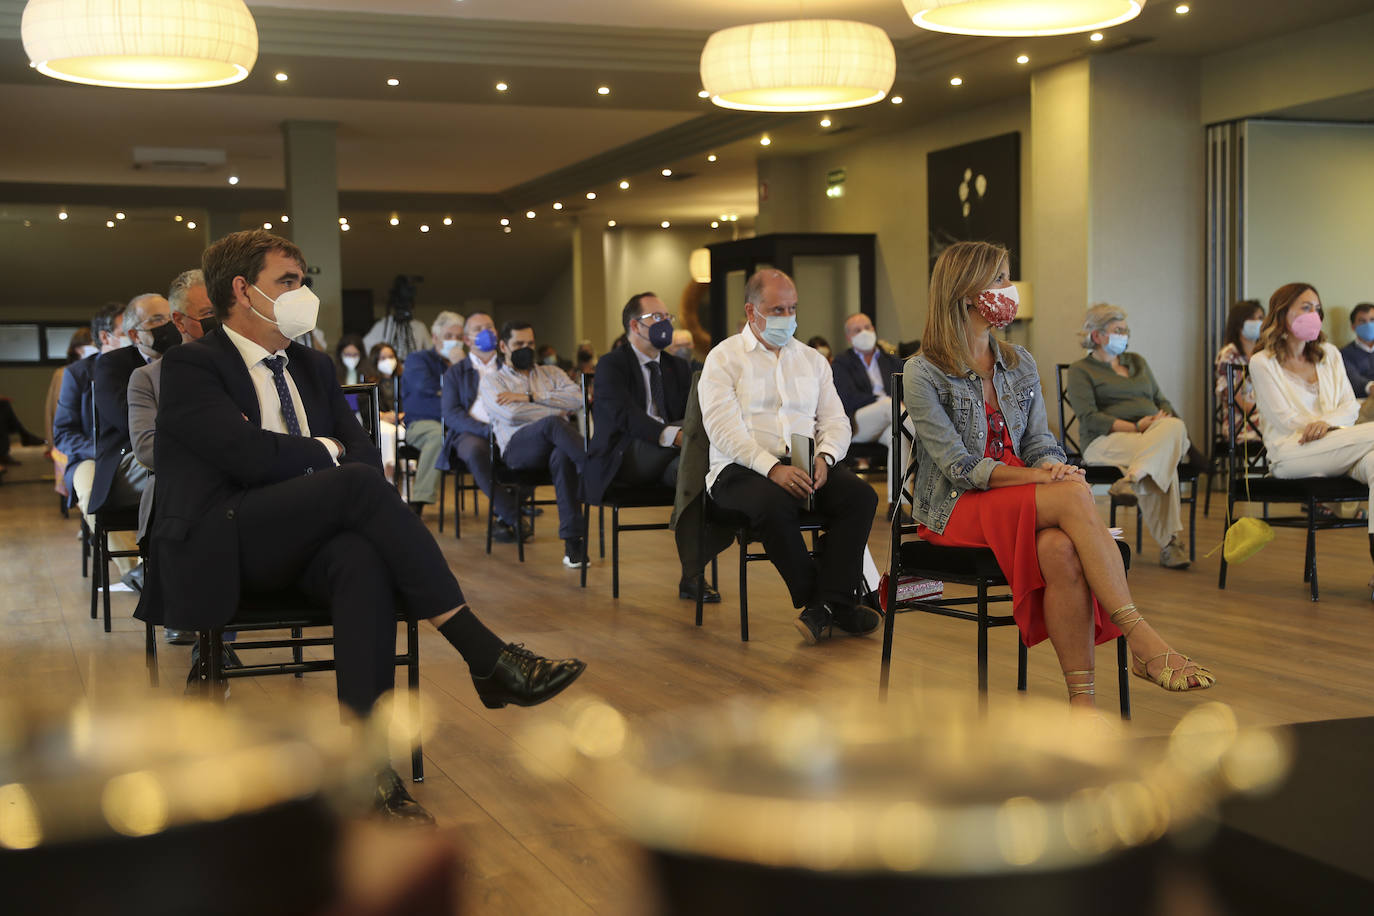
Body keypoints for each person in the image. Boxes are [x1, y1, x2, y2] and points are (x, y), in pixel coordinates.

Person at [134, 230, 585, 822]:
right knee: (353, 486)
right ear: (243, 292)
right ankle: (485, 654)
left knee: (362, 560)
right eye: (287, 283)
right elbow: (247, 458)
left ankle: (369, 763)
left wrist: (313, 457)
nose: (302, 294)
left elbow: (364, 456)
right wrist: (323, 452)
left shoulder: (314, 367)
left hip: (313, 538)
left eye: (303, 281)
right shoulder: (193, 366)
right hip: (229, 537)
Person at [906, 241, 1213, 706]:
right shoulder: (923, 371)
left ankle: (1082, 705)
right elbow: (959, 467)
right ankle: (1144, 641)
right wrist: (1039, 480)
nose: (1008, 289)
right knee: (1070, 496)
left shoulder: (1019, 362)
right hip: (956, 507)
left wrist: (1051, 464)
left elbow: (1038, 442)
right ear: (966, 292)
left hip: (1021, 494)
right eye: (999, 279)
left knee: (1060, 547)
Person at [699, 269, 881, 644]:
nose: (787, 317)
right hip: (739, 469)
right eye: (777, 309)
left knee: (861, 496)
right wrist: (771, 469)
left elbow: (836, 421)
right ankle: (828, 603)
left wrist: (826, 458)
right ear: (752, 312)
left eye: (793, 308)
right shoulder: (724, 358)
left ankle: (825, 608)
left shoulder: (812, 360)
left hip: (804, 461)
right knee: (774, 502)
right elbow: (722, 431)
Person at [586, 293, 719, 603]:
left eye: (667, 317)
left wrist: (681, 436)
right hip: (626, 457)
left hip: (674, 457)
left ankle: (692, 576)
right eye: (657, 318)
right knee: (693, 454)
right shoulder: (611, 365)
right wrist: (672, 435)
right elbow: (625, 417)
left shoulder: (677, 367)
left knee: (694, 473)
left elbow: (693, 416)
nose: (665, 324)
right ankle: (695, 573)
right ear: (635, 325)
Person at [1248, 282, 1374, 597]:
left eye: (1317, 308)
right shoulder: (1262, 362)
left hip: (1341, 446)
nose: (1314, 314)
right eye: (1305, 307)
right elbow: (1283, 419)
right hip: (1291, 453)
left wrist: (1325, 424)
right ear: (1282, 313)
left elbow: (1349, 407)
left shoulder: (1329, 354)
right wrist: (1321, 427)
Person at [1066, 304, 1193, 569]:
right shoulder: (1081, 369)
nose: (1125, 334)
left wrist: (1159, 420)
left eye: (1126, 330)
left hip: (1152, 436)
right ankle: (1170, 543)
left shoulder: (1137, 362)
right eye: (1118, 330)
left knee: (1175, 427)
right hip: (1105, 441)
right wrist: (1137, 427)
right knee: (1163, 459)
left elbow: (1162, 401)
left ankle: (1133, 478)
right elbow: (1090, 417)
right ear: (1097, 336)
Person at [128, 269, 217, 641]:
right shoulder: (148, 378)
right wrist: (221, 445)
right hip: (176, 488)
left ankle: (213, 630)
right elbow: (148, 448)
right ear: (181, 321)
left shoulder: (243, 367)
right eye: (207, 313)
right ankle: (211, 634)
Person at [479, 320, 587, 568]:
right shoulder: (492, 381)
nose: (525, 348)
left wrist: (531, 397)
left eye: (530, 343)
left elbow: (578, 399)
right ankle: (593, 466)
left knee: (561, 455)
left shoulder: (553, 373)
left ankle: (573, 545)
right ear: (504, 346)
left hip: (554, 446)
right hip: (518, 450)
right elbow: (512, 415)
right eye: (519, 344)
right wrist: (555, 410)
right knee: (553, 424)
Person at [440, 312, 529, 544]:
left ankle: (504, 516)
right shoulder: (455, 372)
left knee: (538, 447)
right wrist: (486, 430)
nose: (485, 332)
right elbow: (451, 414)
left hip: (511, 428)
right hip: (471, 433)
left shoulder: (512, 367)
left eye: (489, 327)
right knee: (476, 451)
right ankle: (513, 515)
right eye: (478, 329)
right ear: (467, 340)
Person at [90, 294, 174, 525]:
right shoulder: (112, 364)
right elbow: (127, 420)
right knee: (186, 475)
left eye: (170, 317)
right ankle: (158, 557)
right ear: (135, 334)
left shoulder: (185, 358)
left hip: (174, 453)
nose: (168, 326)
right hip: (128, 458)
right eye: (157, 320)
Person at [399, 311, 465, 514]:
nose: (454, 342)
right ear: (435, 338)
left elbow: (475, 392)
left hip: (458, 424)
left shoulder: (467, 362)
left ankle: (507, 502)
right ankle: (418, 501)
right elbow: (425, 385)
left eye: (459, 337)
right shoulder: (418, 359)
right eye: (449, 337)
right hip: (422, 423)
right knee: (438, 436)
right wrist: (457, 370)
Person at [832, 313, 904, 487]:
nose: (864, 332)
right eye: (857, 330)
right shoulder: (841, 363)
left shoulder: (891, 361)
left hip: (891, 420)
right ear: (849, 337)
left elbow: (905, 391)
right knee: (889, 405)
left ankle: (898, 505)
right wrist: (880, 399)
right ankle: (924, 436)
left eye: (867, 327)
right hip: (859, 424)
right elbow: (847, 399)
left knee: (900, 439)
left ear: (874, 329)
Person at [45, 327, 95, 500]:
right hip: (74, 440)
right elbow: (54, 411)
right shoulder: (68, 372)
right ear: (77, 349)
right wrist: (51, 441)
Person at [1214, 300, 1265, 443]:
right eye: (1253, 318)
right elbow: (1239, 403)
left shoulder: (1263, 355)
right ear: (1239, 322)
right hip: (1239, 424)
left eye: (1261, 318)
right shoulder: (1229, 355)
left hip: (1263, 416)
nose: (1258, 322)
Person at [369, 342, 402, 480]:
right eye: (383, 358)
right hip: (379, 421)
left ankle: (409, 478)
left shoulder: (403, 380)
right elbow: (366, 407)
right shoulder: (368, 381)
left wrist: (400, 415)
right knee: (387, 432)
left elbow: (412, 402)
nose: (388, 361)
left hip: (401, 420)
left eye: (391, 356)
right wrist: (382, 416)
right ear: (375, 360)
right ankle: (389, 477)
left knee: (403, 432)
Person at [1340, 302, 1374, 423]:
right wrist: (1371, 387)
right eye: (1362, 321)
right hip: (1363, 402)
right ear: (1353, 326)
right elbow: (1353, 379)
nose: (1369, 325)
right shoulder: (1344, 353)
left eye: (1372, 320)